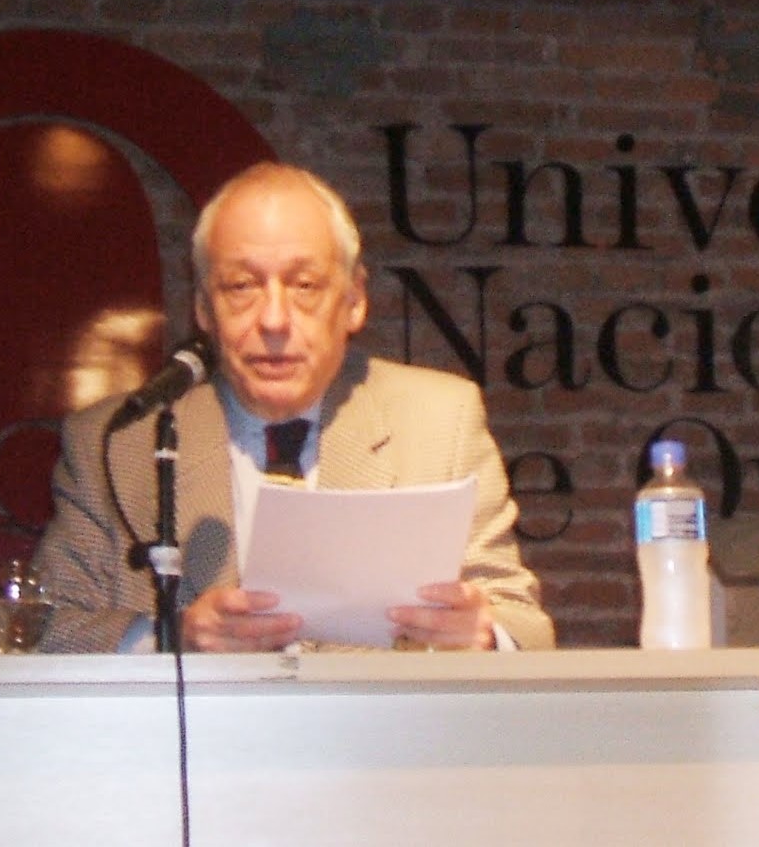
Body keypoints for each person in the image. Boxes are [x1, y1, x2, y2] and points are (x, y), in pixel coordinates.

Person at [35, 161, 554, 652]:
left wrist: (485, 633)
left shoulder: (439, 419)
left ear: (354, 300)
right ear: (204, 309)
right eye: (242, 286)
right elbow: (44, 631)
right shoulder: (118, 443)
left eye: (304, 286)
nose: (274, 321)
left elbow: (526, 627)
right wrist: (173, 639)